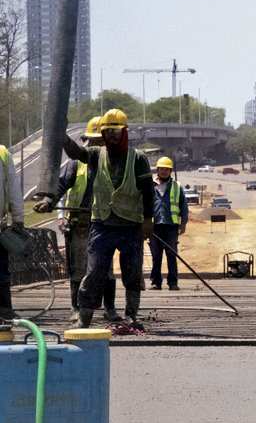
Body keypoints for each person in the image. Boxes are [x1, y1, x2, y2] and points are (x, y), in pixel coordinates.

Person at [62, 108, 154, 329]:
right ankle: (84, 317)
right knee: (94, 273)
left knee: (132, 272)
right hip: (102, 225)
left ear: (125, 132)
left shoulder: (138, 158)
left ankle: (131, 315)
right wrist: (61, 136)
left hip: (130, 225)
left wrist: (148, 219)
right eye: (107, 131)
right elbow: (76, 153)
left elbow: (148, 191)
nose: (111, 135)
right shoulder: (95, 155)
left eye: (116, 131)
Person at [35, 117, 120, 322]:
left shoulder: (115, 163)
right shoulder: (76, 164)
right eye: (94, 141)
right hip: (81, 222)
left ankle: (110, 309)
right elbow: (61, 184)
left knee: (106, 268)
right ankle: (76, 308)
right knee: (78, 269)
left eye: (101, 141)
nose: (97, 145)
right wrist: (49, 200)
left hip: (104, 222)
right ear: (86, 141)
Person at [149, 156, 188, 291]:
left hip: (171, 227)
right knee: (156, 256)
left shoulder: (177, 187)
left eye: (167, 169)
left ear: (170, 171)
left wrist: (183, 224)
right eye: (162, 169)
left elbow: (183, 207)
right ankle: (156, 282)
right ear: (157, 170)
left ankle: (173, 282)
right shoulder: (150, 186)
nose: (164, 172)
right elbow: (144, 205)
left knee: (171, 255)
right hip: (154, 226)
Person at [0, 142, 24, 320]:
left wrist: (18, 217)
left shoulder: (3, 153)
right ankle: (4, 310)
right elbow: (13, 186)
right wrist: (18, 219)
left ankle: (5, 310)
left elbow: (12, 188)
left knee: (1, 269)